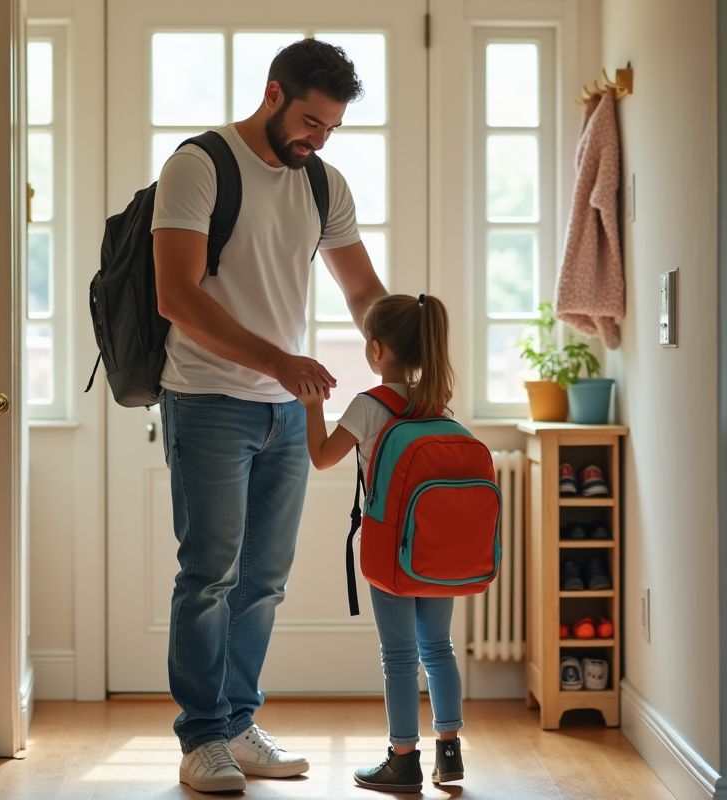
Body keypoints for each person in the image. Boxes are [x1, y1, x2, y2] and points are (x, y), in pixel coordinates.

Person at [153, 39, 387, 793]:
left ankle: (237, 724)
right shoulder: (200, 165)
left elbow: (361, 292)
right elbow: (176, 295)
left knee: (263, 581)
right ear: (273, 93)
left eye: (332, 128)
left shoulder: (322, 183)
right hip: (207, 400)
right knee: (208, 575)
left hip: (288, 412)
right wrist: (280, 362)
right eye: (312, 122)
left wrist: (405, 346)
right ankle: (201, 738)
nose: (319, 139)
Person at [295, 293, 466, 794]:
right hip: (438, 550)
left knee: (399, 655)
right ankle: (450, 753)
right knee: (439, 648)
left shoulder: (368, 405)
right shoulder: (435, 402)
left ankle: (403, 760)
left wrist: (312, 407)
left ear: (376, 349)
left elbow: (322, 457)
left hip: (390, 550)